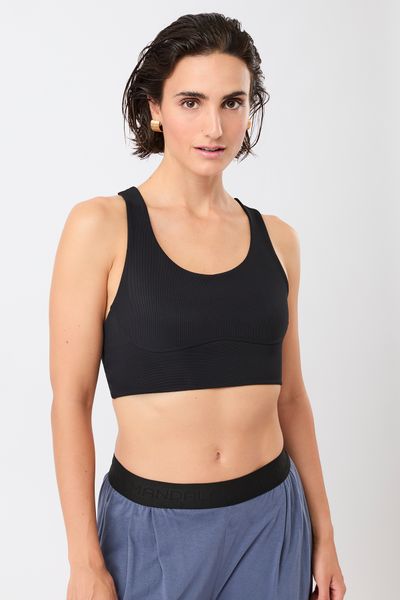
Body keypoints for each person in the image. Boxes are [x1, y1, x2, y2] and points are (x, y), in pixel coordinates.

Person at [49, 12, 347, 600]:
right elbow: (71, 403)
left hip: (272, 519)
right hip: (153, 529)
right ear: (155, 109)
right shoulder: (102, 227)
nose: (215, 126)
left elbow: (291, 397)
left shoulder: (278, 240)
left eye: (232, 102)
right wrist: (84, 561)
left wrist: (326, 534)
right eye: (191, 102)